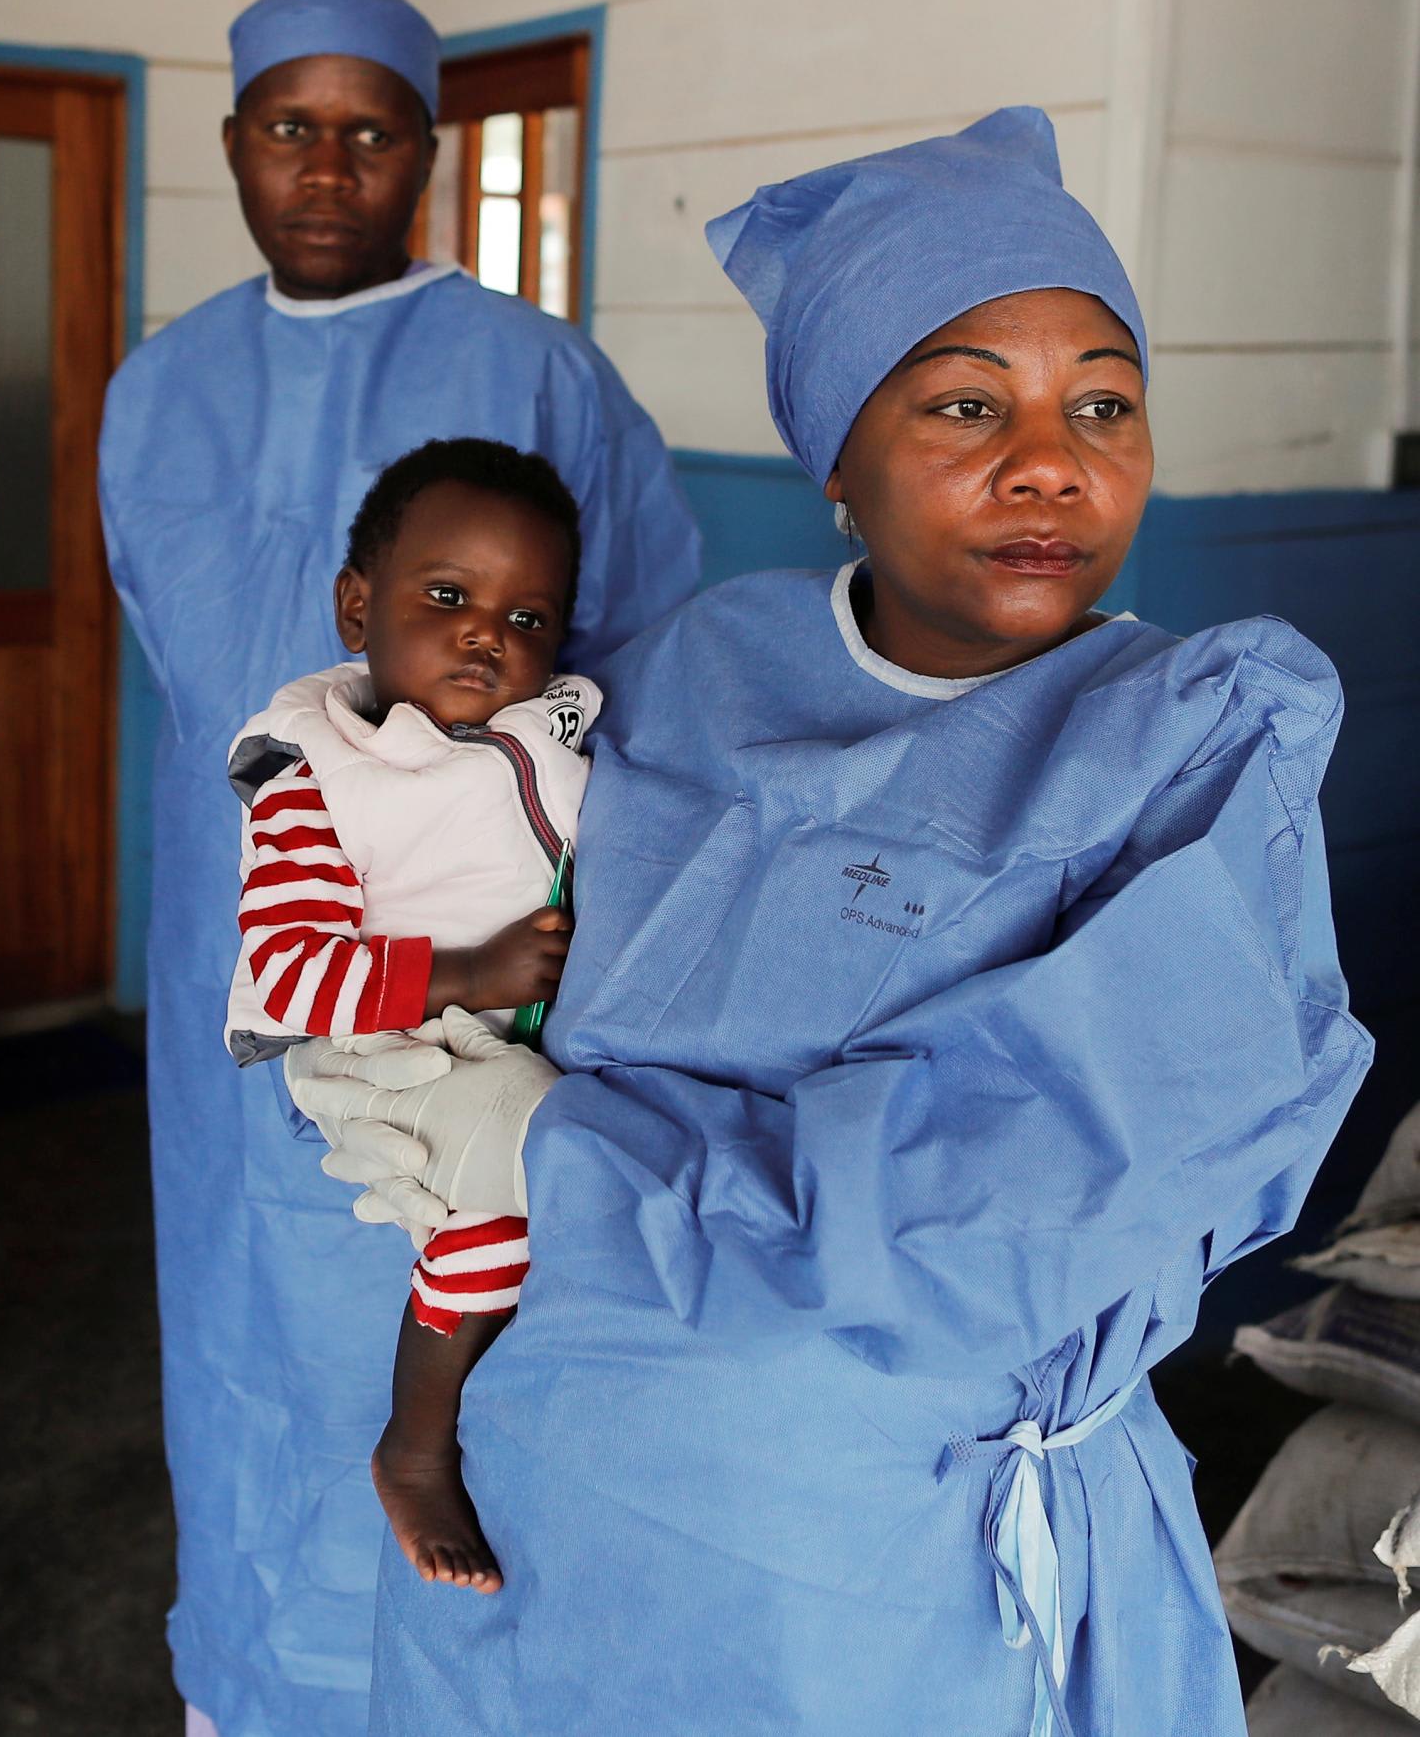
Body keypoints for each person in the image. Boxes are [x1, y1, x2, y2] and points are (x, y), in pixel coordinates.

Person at [287, 107, 1375, 1735]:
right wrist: (389, 1029)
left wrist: (558, 1158)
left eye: (1103, 403)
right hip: (541, 1510)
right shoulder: (684, 677)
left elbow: (1011, 1210)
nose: (1050, 461)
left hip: (875, 1578)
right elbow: (458, 873)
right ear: (837, 465)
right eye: (961, 404)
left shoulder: (1197, 746)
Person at [99, 0, 699, 1735]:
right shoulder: (158, 389)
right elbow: (181, 643)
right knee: (245, 1342)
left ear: (424, 151)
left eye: (371, 132)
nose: (328, 167)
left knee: (465, 1299)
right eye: (291, 127)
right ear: (233, 143)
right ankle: (249, 1691)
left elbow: (633, 677)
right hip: (249, 947)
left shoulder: (533, 369)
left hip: (490, 985)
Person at [223, 438, 593, 1595]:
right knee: (512, 1186)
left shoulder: (550, 729)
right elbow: (284, 973)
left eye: (528, 617)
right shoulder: (316, 780)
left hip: (495, 1028)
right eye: (446, 597)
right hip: (384, 1047)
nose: (488, 633)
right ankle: (417, 1444)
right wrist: (464, 975)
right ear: (355, 606)